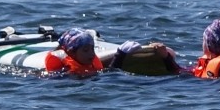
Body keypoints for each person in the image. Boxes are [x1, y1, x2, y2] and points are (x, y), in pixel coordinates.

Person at [42, 28, 182, 77]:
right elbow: (110, 75)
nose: (91, 54)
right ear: (71, 53)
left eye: (92, 49)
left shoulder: (87, 64)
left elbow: (105, 73)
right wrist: (120, 55)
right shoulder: (66, 73)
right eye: (85, 50)